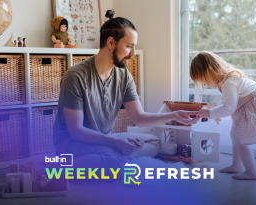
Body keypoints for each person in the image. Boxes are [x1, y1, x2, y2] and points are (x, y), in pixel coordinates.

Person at [52, 10, 200, 170]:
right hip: (72, 143)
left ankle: (109, 157)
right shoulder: (75, 76)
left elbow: (139, 117)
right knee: (116, 161)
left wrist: (174, 115)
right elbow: (76, 131)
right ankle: (56, 168)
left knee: (154, 142)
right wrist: (115, 143)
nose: (133, 53)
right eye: (129, 46)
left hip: (103, 138)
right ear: (110, 43)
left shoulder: (123, 75)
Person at [191, 51, 256, 180]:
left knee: (241, 140)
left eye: (204, 80)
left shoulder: (229, 83)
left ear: (210, 71)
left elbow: (228, 108)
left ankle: (251, 171)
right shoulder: (228, 79)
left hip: (254, 105)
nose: (206, 85)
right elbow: (231, 106)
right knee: (236, 135)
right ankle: (236, 165)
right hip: (249, 102)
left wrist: (210, 113)